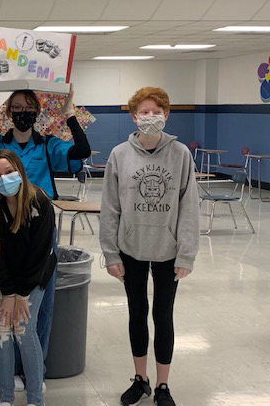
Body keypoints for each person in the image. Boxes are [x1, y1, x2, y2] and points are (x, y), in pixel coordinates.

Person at [0, 81, 91, 389]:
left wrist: (69, 114)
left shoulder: (48, 145)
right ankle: (13, 367)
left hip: (40, 232)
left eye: (28, 108)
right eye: (16, 107)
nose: (22, 113)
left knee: (39, 306)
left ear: (37, 112)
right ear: (7, 112)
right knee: (5, 301)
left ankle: (35, 369)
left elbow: (82, 151)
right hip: (2, 231)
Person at [99, 87, 199, 406]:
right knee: (137, 313)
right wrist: (111, 253)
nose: (150, 117)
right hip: (131, 249)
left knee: (163, 315)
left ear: (167, 115)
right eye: (144, 112)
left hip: (168, 252)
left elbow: (189, 208)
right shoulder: (119, 155)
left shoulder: (181, 154)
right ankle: (141, 379)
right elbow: (111, 207)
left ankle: (163, 386)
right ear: (134, 116)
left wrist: (186, 253)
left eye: (157, 111)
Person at [0, 150, 56, 406]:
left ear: (20, 171)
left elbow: (39, 255)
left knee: (24, 329)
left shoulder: (40, 203)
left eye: (9, 172)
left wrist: (22, 295)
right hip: (5, 277)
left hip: (34, 276)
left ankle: (35, 398)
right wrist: (9, 293)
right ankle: (6, 398)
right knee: (1, 328)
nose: (4, 179)